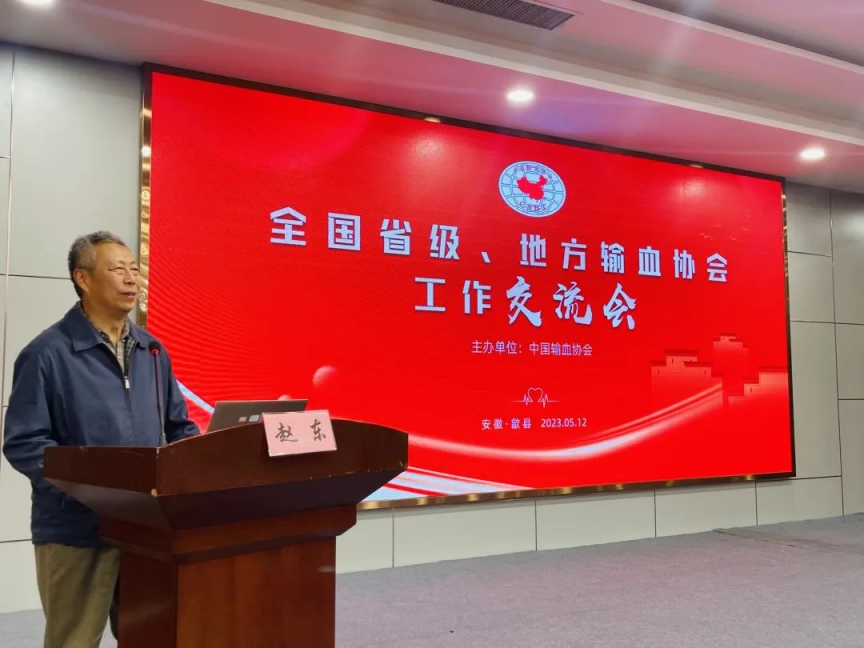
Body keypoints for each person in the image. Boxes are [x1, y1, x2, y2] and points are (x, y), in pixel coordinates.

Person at [2, 231, 199, 647]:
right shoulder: (47, 353)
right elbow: (24, 443)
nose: (131, 279)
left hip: (146, 527)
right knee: (73, 640)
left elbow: (180, 427)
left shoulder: (152, 351)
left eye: (135, 269)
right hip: (76, 529)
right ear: (83, 278)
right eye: (117, 269)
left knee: (149, 635)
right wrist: (87, 490)